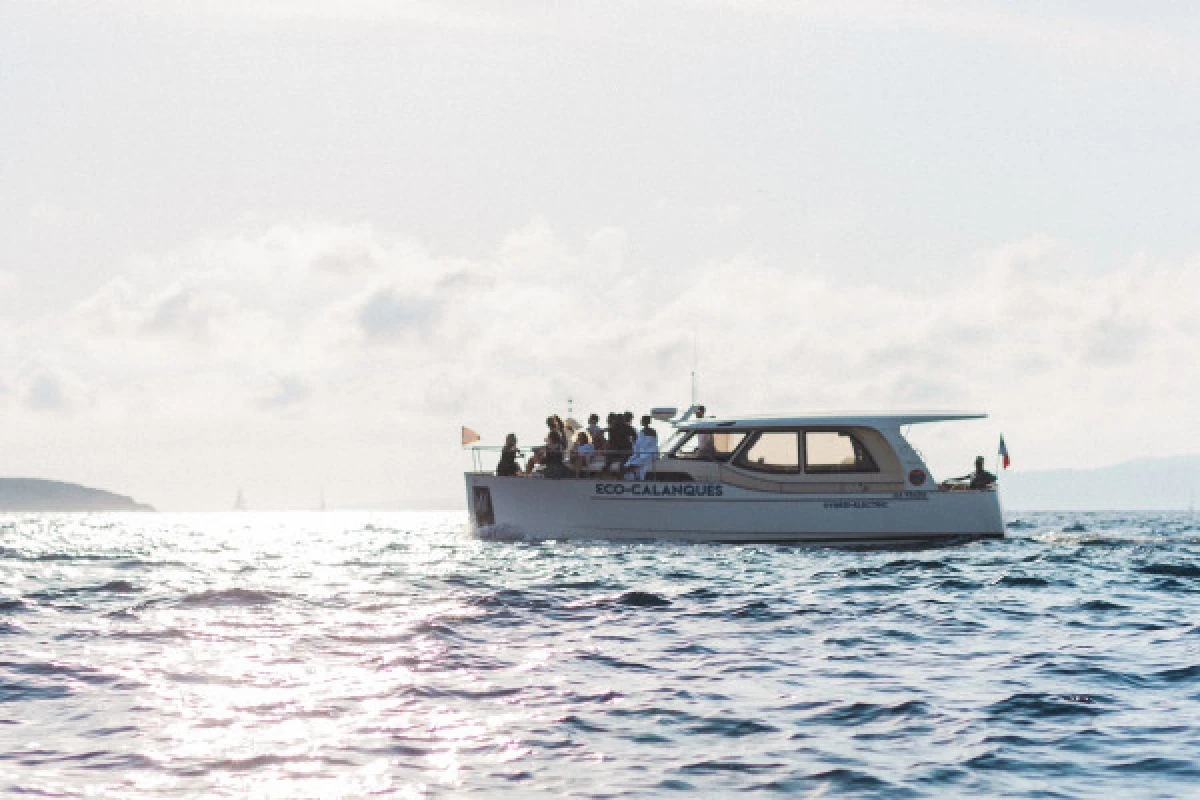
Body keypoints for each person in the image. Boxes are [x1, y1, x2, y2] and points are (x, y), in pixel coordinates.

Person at [603, 412, 632, 476]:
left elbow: (634, 437)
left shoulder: (626, 427)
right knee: (609, 462)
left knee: (622, 462)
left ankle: (619, 476)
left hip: (624, 449)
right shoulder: (614, 428)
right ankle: (607, 475)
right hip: (618, 449)